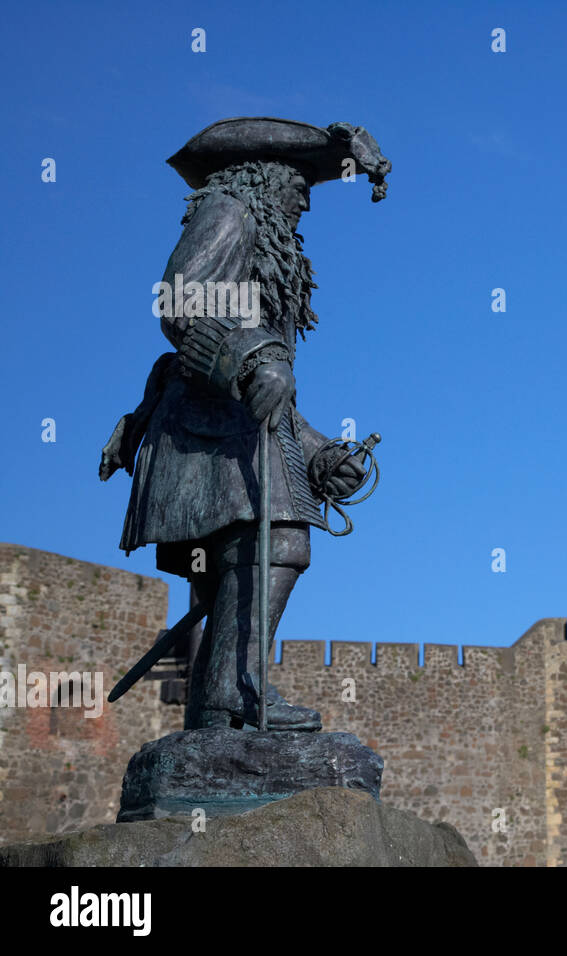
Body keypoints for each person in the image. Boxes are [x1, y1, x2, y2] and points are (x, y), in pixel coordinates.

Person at [99, 118, 391, 731]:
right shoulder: (229, 215)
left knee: (260, 552)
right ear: (259, 179)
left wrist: (318, 455)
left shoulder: (269, 251)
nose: (303, 205)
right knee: (279, 541)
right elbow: (180, 305)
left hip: (234, 429)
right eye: (298, 189)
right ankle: (234, 694)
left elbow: (273, 393)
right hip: (200, 427)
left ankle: (224, 702)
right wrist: (254, 357)